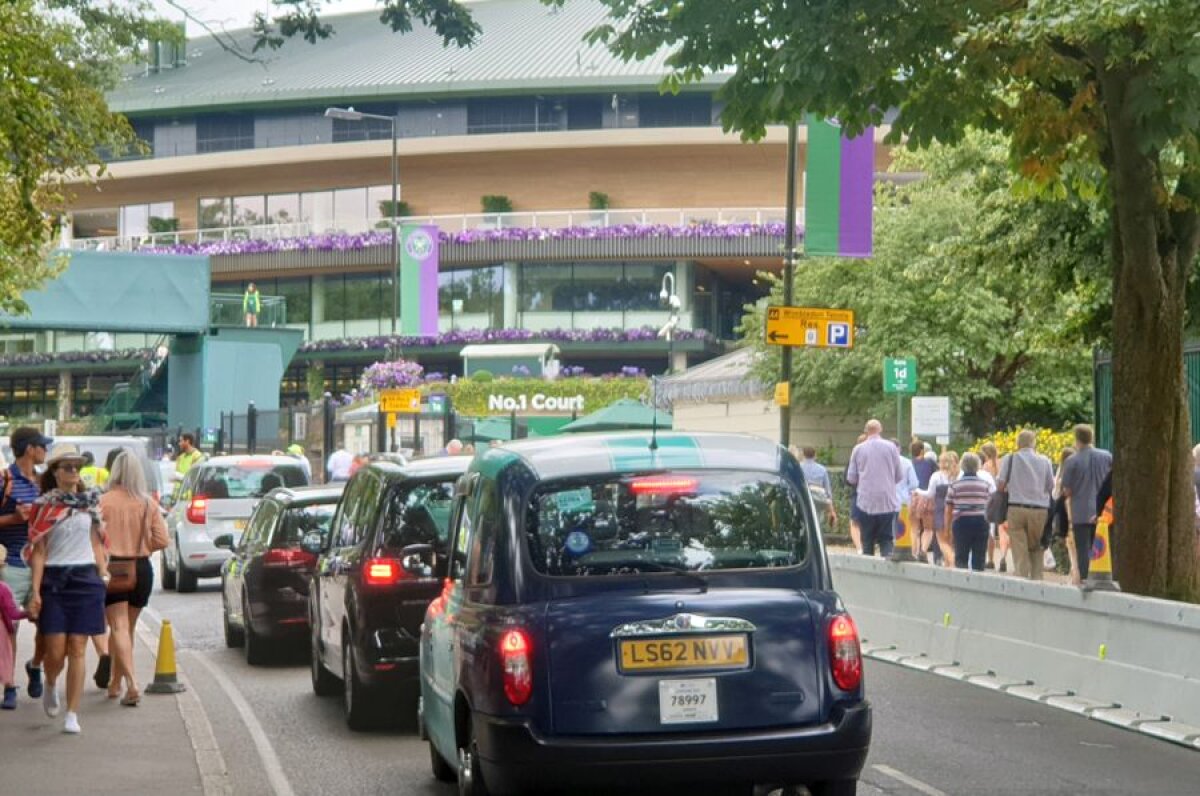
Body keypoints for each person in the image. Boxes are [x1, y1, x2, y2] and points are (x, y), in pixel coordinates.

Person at [25, 444, 108, 734]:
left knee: (78, 647)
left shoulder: (91, 503)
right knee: (55, 651)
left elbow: (98, 543)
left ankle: (72, 713)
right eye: (67, 467)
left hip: (85, 578)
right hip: (54, 579)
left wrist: (102, 573)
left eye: (77, 467)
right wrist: (35, 591)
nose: (74, 471)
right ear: (55, 472)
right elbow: (38, 550)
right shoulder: (42, 506)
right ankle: (50, 682)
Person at [99, 452, 168, 705]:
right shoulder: (148, 503)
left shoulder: (102, 502)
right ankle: (115, 683)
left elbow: (93, 537)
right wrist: (140, 546)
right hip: (141, 568)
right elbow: (163, 540)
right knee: (128, 629)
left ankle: (132, 684)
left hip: (114, 568)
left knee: (118, 628)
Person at [0, 427, 50, 705]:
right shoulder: (4, 480)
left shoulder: (44, 483)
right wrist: (13, 519)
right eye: (43, 445)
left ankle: (35, 665)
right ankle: (9, 685)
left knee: (47, 623)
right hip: (12, 566)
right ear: (30, 449)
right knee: (9, 628)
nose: (45, 451)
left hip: (42, 564)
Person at [996, 430, 1055, 580]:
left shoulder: (1009, 459)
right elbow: (1050, 486)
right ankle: (1036, 581)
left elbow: (1000, 486)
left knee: (1019, 548)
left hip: (1016, 508)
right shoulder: (1045, 461)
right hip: (1040, 510)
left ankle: (1022, 581)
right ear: (1033, 443)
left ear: (1018, 444)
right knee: (1036, 549)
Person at [1060, 424, 1113, 582]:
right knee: (1103, 547)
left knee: (1083, 548)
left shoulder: (1072, 461)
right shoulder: (1107, 456)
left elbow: (1067, 491)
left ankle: (1085, 579)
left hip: (1081, 511)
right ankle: (1104, 578)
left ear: (1077, 440)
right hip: (1104, 512)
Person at [845, 420, 904, 557]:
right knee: (887, 539)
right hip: (887, 500)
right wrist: (888, 482)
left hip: (866, 501)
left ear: (866, 431)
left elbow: (851, 478)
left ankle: (868, 567)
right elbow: (899, 475)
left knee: (867, 540)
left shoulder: (858, 449)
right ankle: (886, 564)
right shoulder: (891, 448)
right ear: (880, 429)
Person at [944, 452, 994, 571]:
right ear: (978, 466)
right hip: (981, 522)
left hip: (961, 523)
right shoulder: (985, 485)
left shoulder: (955, 485)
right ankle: (978, 583)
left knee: (961, 557)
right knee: (979, 558)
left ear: (962, 466)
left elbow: (948, 509)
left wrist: (947, 529)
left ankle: (961, 583)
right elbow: (990, 505)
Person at [919, 450, 960, 567]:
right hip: (955, 508)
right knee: (950, 540)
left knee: (941, 540)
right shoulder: (957, 475)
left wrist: (917, 491)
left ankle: (952, 561)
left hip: (940, 508)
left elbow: (929, 494)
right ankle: (948, 565)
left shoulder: (937, 476)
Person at [0, 560, 28, 709]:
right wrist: (29, 614)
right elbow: (12, 613)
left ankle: (10, 690)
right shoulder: (3, 588)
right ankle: (9, 689)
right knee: (4, 661)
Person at [979, 442, 1009, 571]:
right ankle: (1003, 557)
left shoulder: (985, 467)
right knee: (1004, 529)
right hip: (1005, 497)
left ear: (985, 454)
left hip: (991, 500)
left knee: (990, 531)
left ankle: (990, 559)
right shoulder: (1003, 463)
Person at [797, 446, 837, 527]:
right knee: (817, 523)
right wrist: (831, 510)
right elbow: (827, 491)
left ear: (803, 455)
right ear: (815, 455)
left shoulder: (798, 467)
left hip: (803, 498)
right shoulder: (822, 469)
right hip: (818, 500)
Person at [892, 439, 920, 546]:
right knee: (902, 527)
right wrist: (906, 490)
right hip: (902, 500)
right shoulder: (906, 462)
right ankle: (900, 547)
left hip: (886, 501)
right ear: (899, 449)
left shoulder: (883, 461)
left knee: (889, 528)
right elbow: (914, 483)